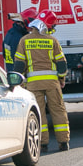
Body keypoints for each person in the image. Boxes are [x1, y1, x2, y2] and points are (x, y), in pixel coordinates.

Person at [13, 9, 70, 151]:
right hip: (52, 83)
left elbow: (19, 64)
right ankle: (63, 142)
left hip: (33, 84)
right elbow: (62, 64)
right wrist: (61, 78)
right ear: (48, 26)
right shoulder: (52, 41)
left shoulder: (24, 40)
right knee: (58, 110)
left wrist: (19, 81)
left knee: (38, 113)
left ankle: (42, 144)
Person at [3, 7, 37, 72]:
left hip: (11, 71)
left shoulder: (10, 33)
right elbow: (20, 61)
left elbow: (4, 54)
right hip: (19, 74)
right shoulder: (19, 38)